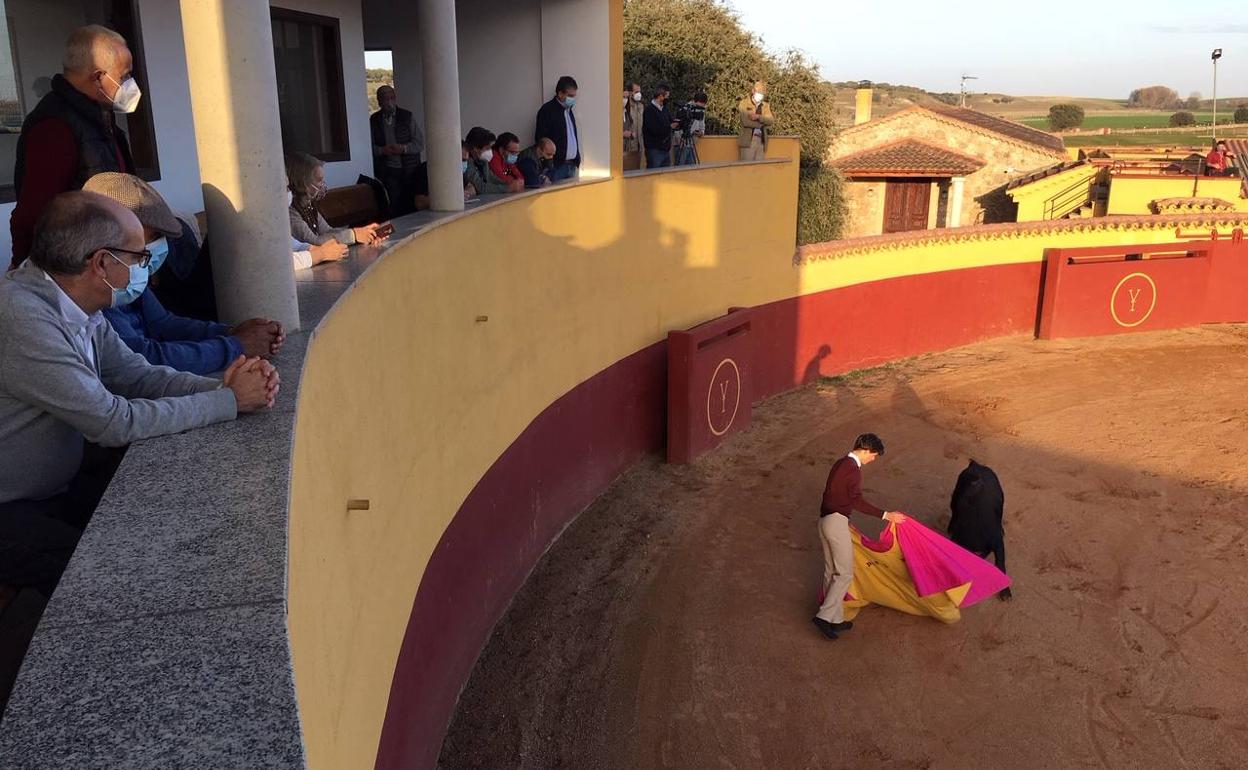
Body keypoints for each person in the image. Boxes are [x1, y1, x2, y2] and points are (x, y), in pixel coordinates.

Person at [0, 191, 279, 597]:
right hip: (11, 508)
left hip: (54, 488)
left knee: (164, 532)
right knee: (120, 582)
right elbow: (113, 422)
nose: (144, 268)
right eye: (139, 257)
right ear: (101, 263)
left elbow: (136, 376)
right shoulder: (24, 317)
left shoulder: (75, 303)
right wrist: (229, 400)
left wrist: (227, 385)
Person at [82, 173, 283, 375]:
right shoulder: (94, 296)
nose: (154, 247)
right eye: (151, 237)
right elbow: (142, 359)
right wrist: (235, 347)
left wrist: (232, 332)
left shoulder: (130, 275)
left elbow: (163, 323)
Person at [10, 25, 141, 268]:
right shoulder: (55, 127)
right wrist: (28, 272)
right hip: (80, 270)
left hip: (109, 259)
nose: (130, 84)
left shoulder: (99, 118)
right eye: (124, 76)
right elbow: (32, 215)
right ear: (98, 77)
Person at [813, 433, 907, 640]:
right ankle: (824, 617)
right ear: (864, 450)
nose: (872, 459)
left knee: (831, 571)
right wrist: (886, 515)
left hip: (824, 521)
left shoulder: (840, 464)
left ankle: (835, 618)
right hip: (836, 523)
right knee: (844, 573)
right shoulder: (853, 471)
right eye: (872, 455)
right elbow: (856, 501)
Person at [286, 152, 387, 248]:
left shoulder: (308, 204)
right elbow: (315, 242)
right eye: (319, 180)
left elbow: (327, 231)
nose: (323, 184)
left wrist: (363, 232)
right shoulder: (290, 211)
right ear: (303, 182)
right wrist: (353, 235)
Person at [370, 85, 425, 217]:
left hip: (410, 170)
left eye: (392, 98)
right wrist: (382, 150)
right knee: (394, 207)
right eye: (386, 99)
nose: (390, 102)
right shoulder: (374, 120)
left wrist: (403, 149)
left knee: (411, 205)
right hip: (387, 172)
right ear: (379, 102)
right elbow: (368, 148)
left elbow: (419, 143)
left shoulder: (407, 116)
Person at [535, 75, 581, 181]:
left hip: (571, 165)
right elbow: (541, 139)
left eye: (574, 96)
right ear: (560, 93)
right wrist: (549, 164)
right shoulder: (547, 110)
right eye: (570, 96)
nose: (572, 99)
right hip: (556, 167)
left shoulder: (568, 110)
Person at [464, 127, 522, 194]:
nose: (490, 151)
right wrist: (507, 188)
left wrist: (509, 183)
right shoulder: (466, 162)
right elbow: (481, 187)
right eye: (487, 148)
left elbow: (491, 178)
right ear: (475, 149)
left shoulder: (483, 160)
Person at [643, 83, 680, 170]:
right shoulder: (649, 110)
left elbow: (670, 121)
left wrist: (678, 122)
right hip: (654, 150)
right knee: (653, 174)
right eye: (667, 96)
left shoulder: (665, 109)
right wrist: (670, 127)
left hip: (665, 149)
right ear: (660, 96)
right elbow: (654, 129)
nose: (668, 99)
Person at [737, 80, 775, 162]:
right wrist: (762, 124)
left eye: (762, 93)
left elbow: (770, 120)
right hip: (748, 141)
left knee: (759, 167)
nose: (760, 94)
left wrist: (759, 117)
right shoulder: (744, 103)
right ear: (753, 91)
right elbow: (746, 122)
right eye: (759, 92)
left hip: (761, 141)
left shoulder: (765, 105)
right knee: (747, 167)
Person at [673, 91, 708, 167]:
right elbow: (677, 127)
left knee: (692, 168)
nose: (700, 109)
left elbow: (702, 126)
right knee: (680, 167)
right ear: (694, 101)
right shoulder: (684, 110)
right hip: (681, 144)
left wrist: (700, 132)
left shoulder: (701, 111)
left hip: (692, 144)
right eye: (698, 106)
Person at [623, 82, 645, 171]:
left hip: (640, 145)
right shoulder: (626, 106)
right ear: (630, 92)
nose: (639, 94)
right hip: (628, 145)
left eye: (639, 92)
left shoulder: (641, 106)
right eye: (636, 92)